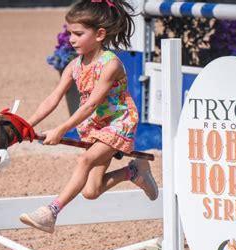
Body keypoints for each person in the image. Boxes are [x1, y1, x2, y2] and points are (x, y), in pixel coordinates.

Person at [19, 0, 158, 234]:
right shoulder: (74, 65)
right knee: (91, 191)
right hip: (94, 127)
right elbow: (52, 99)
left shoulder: (110, 64)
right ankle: (134, 171)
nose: (71, 39)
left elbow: (91, 104)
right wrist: (26, 125)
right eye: (69, 32)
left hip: (117, 123)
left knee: (83, 161)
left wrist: (61, 130)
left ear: (100, 34)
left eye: (78, 33)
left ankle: (50, 212)